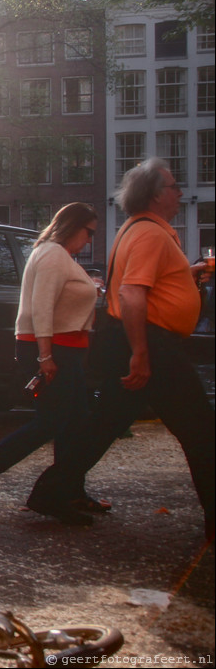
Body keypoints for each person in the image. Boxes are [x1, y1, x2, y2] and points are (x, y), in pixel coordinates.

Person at [26, 159, 214, 535]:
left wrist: (185, 275)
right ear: (155, 196)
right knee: (200, 428)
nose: (180, 193)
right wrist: (141, 353)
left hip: (131, 338)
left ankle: (51, 491)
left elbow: (139, 286)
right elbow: (130, 294)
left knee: (104, 423)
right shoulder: (150, 235)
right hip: (151, 342)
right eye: (174, 187)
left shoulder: (136, 230)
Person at [0, 203, 100, 514]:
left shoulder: (55, 254)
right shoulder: (53, 255)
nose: (89, 240)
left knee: (74, 423)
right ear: (72, 226)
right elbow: (41, 307)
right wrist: (46, 356)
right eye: (88, 232)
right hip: (57, 350)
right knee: (56, 421)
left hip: (63, 349)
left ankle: (69, 491)